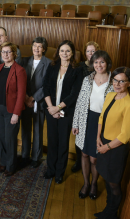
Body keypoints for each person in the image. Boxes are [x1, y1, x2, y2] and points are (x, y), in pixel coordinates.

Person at [72, 50, 113, 200]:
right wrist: (75, 123)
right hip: (86, 119)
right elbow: (80, 102)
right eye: (96, 62)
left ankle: (94, 183)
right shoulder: (87, 79)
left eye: (102, 62)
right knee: (84, 153)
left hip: (103, 121)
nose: (99, 65)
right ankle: (86, 183)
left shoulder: (113, 81)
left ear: (107, 63)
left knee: (95, 157)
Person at [94, 67, 130, 219]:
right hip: (103, 141)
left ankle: (111, 214)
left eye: (121, 81)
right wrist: (98, 137)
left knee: (113, 183)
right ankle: (108, 209)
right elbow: (101, 117)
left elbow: (125, 135)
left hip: (116, 148)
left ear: (129, 83)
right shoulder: (110, 95)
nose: (117, 84)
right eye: (115, 80)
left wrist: (106, 147)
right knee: (105, 176)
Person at [43, 40, 83, 184]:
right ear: (58, 52)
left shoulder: (77, 69)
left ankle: (59, 172)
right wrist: (51, 108)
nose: (64, 53)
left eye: (67, 51)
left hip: (66, 111)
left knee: (63, 143)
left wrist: (58, 108)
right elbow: (45, 87)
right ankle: (50, 170)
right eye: (62, 50)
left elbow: (74, 94)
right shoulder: (52, 66)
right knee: (52, 142)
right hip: (51, 110)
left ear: (72, 53)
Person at [0, 42, 27, 176]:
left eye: (8, 52)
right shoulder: (0, 67)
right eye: (3, 52)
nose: (5, 54)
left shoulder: (19, 70)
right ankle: (4, 162)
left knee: (10, 138)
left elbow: (21, 94)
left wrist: (16, 113)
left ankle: (11, 166)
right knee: (1, 137)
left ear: (14, 54)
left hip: (11, 110)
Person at [20, 37, 51, 168]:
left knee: (38, 130)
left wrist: (33, 98)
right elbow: (21, 80)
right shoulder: (25, 60)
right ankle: (24, 155)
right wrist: (26, 97)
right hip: (25, 100)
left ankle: (36, 157)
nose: (36, 49)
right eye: (34, 46)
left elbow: (47, 85)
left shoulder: (49, 63)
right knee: (25, 129)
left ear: (44, 49)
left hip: (39, 101)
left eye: (39, 47)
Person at [72, 41, 100, 173]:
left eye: (93, 51)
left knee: (92, 136)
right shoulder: (80, 66)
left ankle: (93, 162)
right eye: (88, 51)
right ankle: (79, 161)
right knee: (80, 135)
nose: (90, 53)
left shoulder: (100, 66)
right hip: (80, 104)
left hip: (95, 107)